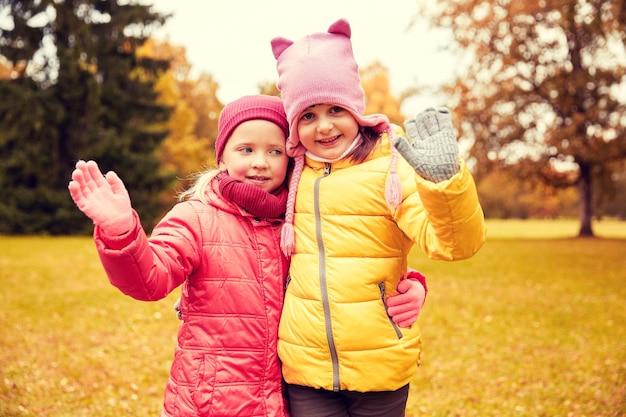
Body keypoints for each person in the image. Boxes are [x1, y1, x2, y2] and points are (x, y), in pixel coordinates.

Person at [68, 94, 427, 417]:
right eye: (246, 149)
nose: (260, 162)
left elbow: (348, 260)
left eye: (275, 151)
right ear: (222, 156)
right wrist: (121, 232)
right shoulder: (197, 217)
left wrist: (412, 284)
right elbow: (150, 280)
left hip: (280, 398)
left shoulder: (296, 219)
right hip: (209, 401)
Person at [270, 18, 486, 417]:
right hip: (305, 367)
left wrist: (444, 184)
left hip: (381, 361)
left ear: (356, 107)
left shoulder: (390, 164)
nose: (324, 125)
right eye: (307, 115)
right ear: (293, 124)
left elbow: (455, 244)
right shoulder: (287, 175)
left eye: (336, 108)